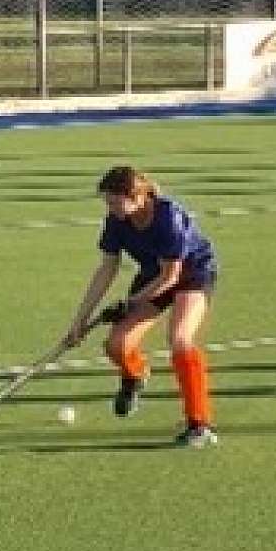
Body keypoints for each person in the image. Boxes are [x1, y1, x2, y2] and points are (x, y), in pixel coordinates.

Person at [63, 166, 221, 449]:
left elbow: (171, 276)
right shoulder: (117, 220)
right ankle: (135, 375)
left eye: (115, 202)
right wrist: (80, 321)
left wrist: (130, 304)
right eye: (107, 203)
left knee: (180, 339)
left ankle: (199, 424)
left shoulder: (168, 216)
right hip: (152, 276)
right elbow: (107, 269)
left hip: (192, 275)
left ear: (137, 197)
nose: (110, 209)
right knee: (117, 346)